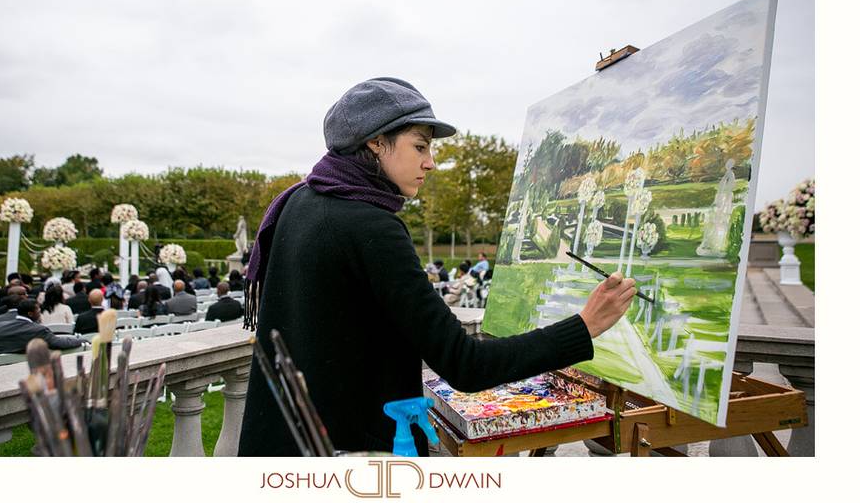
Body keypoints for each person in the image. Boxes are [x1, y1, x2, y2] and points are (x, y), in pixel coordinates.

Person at [237, 77, 637, 457]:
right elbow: (465, 364)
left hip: (282, 440)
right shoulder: (369, 224)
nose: (431, 163)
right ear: (376, 142)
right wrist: (584, 326)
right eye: (420, 147)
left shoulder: (300, 201)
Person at [0, 299, 81, 355]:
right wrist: (81, 340)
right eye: (38, 311)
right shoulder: (38, 330)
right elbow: (59, 343)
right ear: (30, 314)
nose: (40, 313)